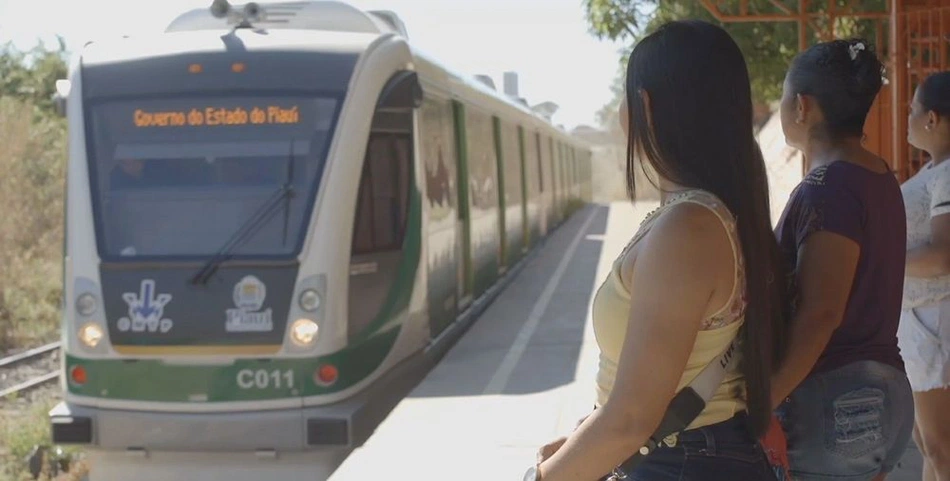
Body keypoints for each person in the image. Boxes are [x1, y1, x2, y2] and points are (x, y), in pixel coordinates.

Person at [527, 19, 789, 481]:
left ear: (644, 106)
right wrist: (586, 439)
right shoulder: (709, 214)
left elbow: (631, 420)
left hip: (679, 462)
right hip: (691, 455)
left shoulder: (688, 230)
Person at [769, 38, 914, 481]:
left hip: (836, 402)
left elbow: (821, 312)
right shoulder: (877, 175)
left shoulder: (828, 186)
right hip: (881, 394)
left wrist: (759, 405)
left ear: (801, 106)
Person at [900, 70, 950, 481]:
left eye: (912, 110)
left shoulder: (948, 174)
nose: (908, 117)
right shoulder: (935, 170)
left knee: (941, 447)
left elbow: (942, 257)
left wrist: (880, 262)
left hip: (935, 321)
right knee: (928, 445)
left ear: (932, 118)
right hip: (921, 322)